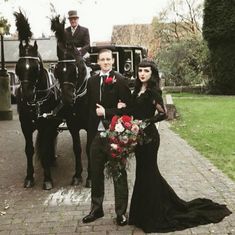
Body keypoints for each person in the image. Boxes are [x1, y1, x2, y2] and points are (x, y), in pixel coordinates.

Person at [117, 59, 232, 233]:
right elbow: (134, 110)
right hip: (138, 137)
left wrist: (145, 122)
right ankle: (141, 214)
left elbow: (163, 114)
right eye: (140, 71)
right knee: (142, 173)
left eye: (146, 71)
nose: (142, 74)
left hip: (149, 138)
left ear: (152, 73)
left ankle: (152, 215)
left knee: (149, 172)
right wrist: (124, 107)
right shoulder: (137, 90)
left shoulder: (153, 92)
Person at [82, 49, 132, 225]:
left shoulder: (120, 80)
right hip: (95, 134)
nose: (105, 62)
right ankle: (96, 209)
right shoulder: (92, 81)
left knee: (118, 173)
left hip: (114, 134)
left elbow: (128, 108)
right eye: (102, 59)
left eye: (108, 59)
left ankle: (121, 212)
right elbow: (88, 108)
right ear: (98, 61)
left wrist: (108, 112)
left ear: (112, 61)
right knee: (95, 173)